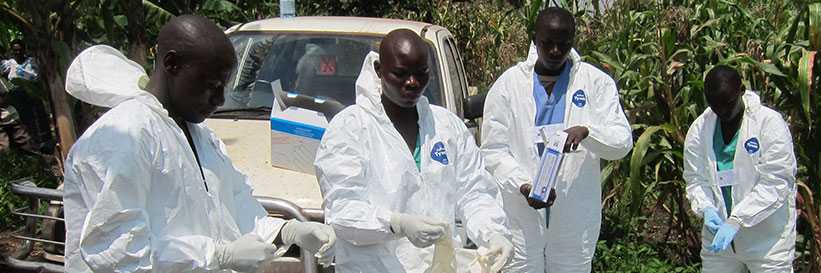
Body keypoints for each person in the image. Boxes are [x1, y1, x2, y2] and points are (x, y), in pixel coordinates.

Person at [63, 15, 335, 273]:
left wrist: (286, 231)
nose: (219, 100)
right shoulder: (123, 137)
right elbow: (116, 250)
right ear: (172, 65)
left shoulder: (199, 135)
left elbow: (236, 208)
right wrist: (216, 255)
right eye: (211, 85)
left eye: (223, 87)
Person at [314, 29, 513, 273]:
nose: (412, 82)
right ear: (379, 70)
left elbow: (475, 191)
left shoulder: (446, 127)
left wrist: (493, 233)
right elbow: (342, 210)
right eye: (400, 73)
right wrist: (397, 224)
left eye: (421, 74)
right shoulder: (350, 129)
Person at [480, 7, 634, 273]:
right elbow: (493, 151)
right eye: (547, 43)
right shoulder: (508, 86)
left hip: (574, 222)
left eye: (563, 44)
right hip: (521, 218)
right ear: (534, 38)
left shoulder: (595, 83)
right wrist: (523, 185)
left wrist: (588, 132)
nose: (554, 51)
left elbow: (622, 142)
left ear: (573, 41)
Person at [683, 65, 797, 273]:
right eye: (715, 106)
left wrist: (738, 219)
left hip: (766, 241)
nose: (722, 112)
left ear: (741, 90)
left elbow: (776, 181)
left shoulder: (768, 123)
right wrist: (706, 207)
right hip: (719, 239)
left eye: (728, 104)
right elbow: (695, 179)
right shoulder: (700, 129)